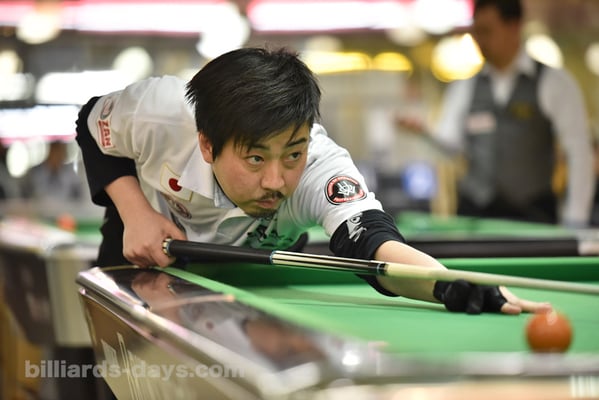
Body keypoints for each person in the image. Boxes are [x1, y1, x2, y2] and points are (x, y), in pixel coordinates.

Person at [75, 46, 550, 315]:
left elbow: (370, 240)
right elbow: (91, 123)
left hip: (251, 277)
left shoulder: (321, 165)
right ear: (207, 145)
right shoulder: (160, 113)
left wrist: (450, 285)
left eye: (292, 154)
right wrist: (135, 212)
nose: (276, 180)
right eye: (255, 158)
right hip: (142, 252)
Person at [396, 0, 594, 227]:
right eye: (476, 32)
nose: (479, 40)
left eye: (487, 31)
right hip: (475, 216)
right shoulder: (465, 86)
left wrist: (576, 219)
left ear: (514, 27)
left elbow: (578, 153)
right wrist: (424, 133)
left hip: (533, 216)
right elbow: (451, 147)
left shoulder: (554, 82)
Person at [20, 140, 84, 203]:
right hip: (39, 208)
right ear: (50, 151)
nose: (57, 156)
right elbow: (25, 197)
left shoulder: (71, 175)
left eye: (60, 152)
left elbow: (78, 199)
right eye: (55, 152)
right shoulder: (35, 172)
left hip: (65, 208)